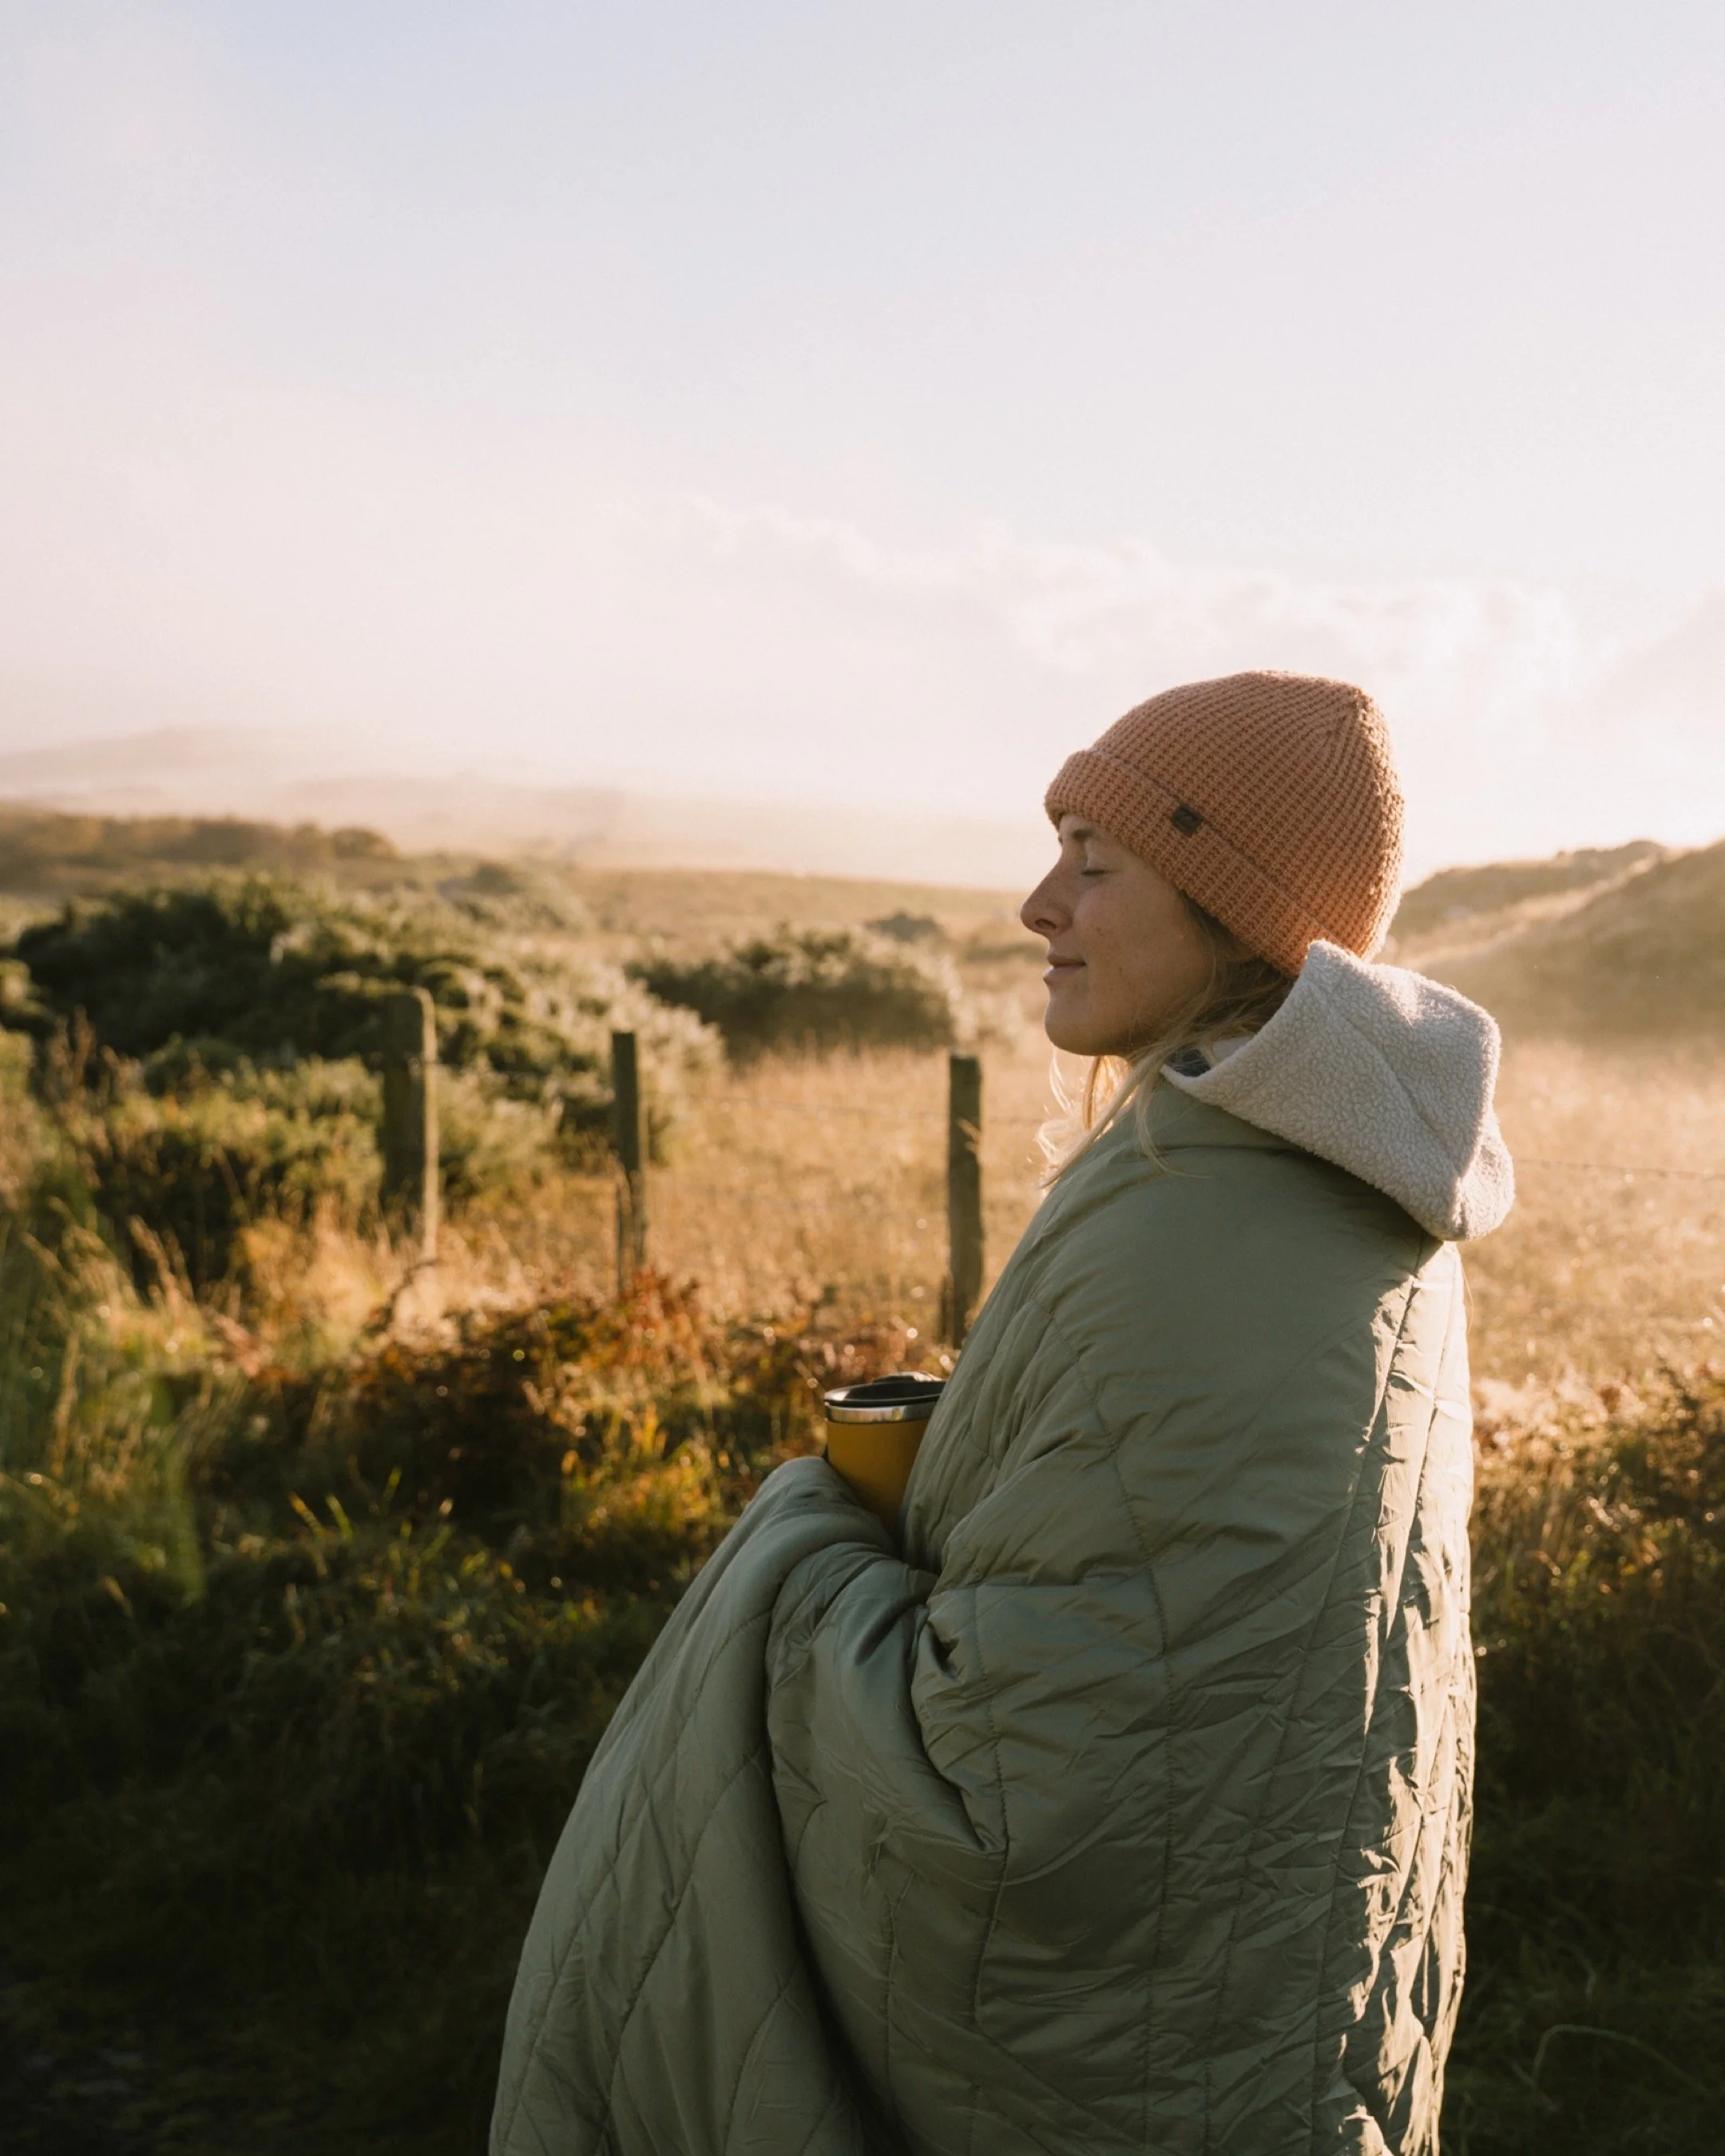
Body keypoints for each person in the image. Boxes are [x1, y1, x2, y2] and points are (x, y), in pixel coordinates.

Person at [491, 671, 1513, 2156]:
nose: (1041, 903)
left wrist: (809, 1545)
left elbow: (1035, 1804)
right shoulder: (1351, 1174)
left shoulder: (1202, 1217)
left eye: (1096, 864)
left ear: (1230, 907)